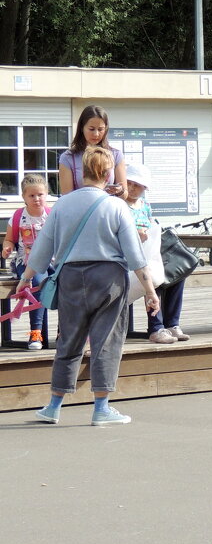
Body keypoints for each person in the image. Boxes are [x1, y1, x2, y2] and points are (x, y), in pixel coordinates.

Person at [15, 146, 159, 426]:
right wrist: (151, 291)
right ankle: (101, 408)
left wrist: (24, 280)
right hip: (109, 280)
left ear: (82, 173)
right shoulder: (116, 206)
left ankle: (54, 406)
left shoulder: (62, 205)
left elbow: (41, 251)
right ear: (106, 172)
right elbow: (135, 257)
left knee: (69, 341)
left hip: (70, 277)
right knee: (107, 341)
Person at [123, 164, 188, 345]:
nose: (134, 188)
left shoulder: (145, 205)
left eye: (139, 185)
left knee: (177, 273)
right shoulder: (118, 204)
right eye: (130, 183)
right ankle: (156, 326)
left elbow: (151, 224)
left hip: (148, 253)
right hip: (127, 258)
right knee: (152, 278)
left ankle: (172, 323)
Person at [2, 174, 52, 349]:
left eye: (40, 195)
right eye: (31, 196)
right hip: (27, 262)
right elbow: (10, 239)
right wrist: (7, 248)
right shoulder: (18, 216)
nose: (37, 199)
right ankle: (35, 333)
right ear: (23, 197)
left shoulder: (52, 215)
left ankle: (66, 333)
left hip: (51, 261)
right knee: (38, 281)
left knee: (69, 281)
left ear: (46, 194)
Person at [59, 105, 127, 197]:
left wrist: (119, 191)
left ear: (106, 129)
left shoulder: (115, 155)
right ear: (82, 128)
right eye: (91, 129)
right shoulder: (68, 157)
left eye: (100, 129)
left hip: (107, 209)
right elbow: (66, 197)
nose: (96, 134)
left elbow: (125, 194)